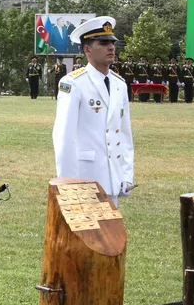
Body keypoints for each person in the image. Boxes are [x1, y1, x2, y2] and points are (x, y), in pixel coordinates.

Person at [52, 17, 133, 206]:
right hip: (85, 178)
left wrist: (126, 174)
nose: (111, 47)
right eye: (103, 43)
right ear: (87, 49)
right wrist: (68, 184)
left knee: (111, 235)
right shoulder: (73, 83)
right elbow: (64, 136)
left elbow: (124, 134)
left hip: (113, 179)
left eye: (112, 43)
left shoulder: (119, 84)